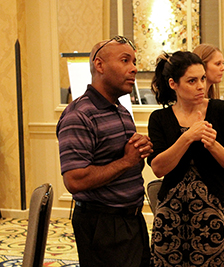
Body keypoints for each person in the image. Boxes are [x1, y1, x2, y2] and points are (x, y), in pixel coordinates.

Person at [56, 36, 152, 267]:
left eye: (134, 61)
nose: (134, 69)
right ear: (99, 65)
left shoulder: (121, 111)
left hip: (132, 220)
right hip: (102, 225)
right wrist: (127, 161)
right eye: (125, 60)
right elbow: (75, 181)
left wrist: (139, 152)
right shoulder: (79, 115)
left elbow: (128, 164)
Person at [147, 51, 224, 266]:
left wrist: (212, 144)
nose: (201, 85)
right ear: (173, 84)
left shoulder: (223, 111)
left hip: (214, 212)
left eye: (202, 78)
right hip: (170, 215)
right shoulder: (160, 118)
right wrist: (188, 137)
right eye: (192, 81)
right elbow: (158, 168)